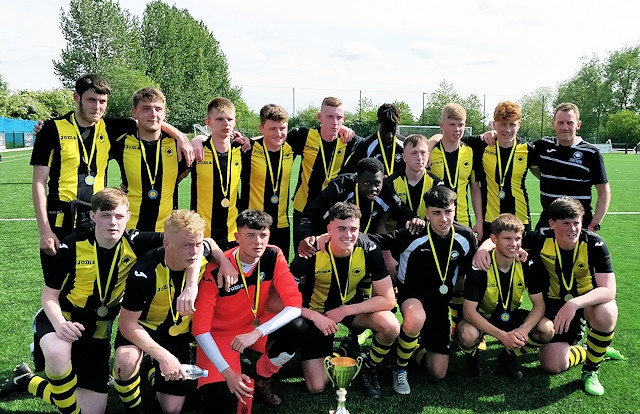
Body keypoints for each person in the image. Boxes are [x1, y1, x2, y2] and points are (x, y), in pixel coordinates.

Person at [0, 188, 168, 413]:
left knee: (93, 410)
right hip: (63, 318)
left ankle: (27, 380)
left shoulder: (136, 242)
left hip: (96, 332)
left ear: (128, 216)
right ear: (93, 216)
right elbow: (49, 295)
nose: (113, 222)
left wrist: (209, 260)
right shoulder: (72, 244)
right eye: (106, 215)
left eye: (119, 216)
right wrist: (61, 324)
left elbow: (185, 239)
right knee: (58, 354)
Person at [31, 75, 193, 282]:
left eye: (102, 102)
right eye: (91, 100)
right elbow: (38, 183)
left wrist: (180, 136)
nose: (97, 107)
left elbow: (150, 119)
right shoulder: (51, 130)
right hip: (61, 218)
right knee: (56, 285)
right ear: (76, 97)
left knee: (96, 285)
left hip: (98, 218)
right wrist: (44, 230)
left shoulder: (110, 127)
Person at [473, 197, 620, 395]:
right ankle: (589, 350)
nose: (572, 229)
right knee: (552, 366)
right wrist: (482, 249)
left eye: (576, 222)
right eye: (566, 223)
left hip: (584, 305)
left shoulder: (594, 244)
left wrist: (575, 303)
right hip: (552, 308)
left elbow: (609, 290)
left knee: (607, 311)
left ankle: (591, 371)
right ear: (552, 224)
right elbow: (508, 238)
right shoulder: (542, 238)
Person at [112, 209, 234, 414]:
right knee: (125, 362)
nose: (194, 251)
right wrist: (165, 357)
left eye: (197, 244)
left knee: (172, 409)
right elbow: (126, 325)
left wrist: (223, 261)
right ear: (166, 244)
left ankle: (151, 370)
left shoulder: (197, 250)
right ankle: (134, 407)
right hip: (144, 330)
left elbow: (209, 244)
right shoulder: (144, 271)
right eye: (187, 245)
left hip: (176, 336)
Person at [364, 186, 476, 394]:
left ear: (455, 209)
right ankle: (400, 369)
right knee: (416, 317)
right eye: (436, 213)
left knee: (438, 372)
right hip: (411, 296)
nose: (443, 219)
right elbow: (377, 240)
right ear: (426, 213)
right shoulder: (412, 234)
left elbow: (470, 270)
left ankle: (407, 347)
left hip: (440, 303)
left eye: (448, 212)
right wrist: (340, 236)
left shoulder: (465, 237)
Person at [192, 210, 305, 413]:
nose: (258, 241)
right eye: (250, 235)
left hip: (254, 327)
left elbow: (294, 305)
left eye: (263, 235)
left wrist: (255, 333)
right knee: (221, 401)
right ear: (237, 237)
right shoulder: (215, 269)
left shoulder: (273, 255)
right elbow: (200, 330)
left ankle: (263, 376)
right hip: (220, 335)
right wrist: (227, 373)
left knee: (297, 328)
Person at [291, 202, 399, 399]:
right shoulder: (311, 251)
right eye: (341, 229)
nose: (348, 235)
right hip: (318, 314)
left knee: (390, 325)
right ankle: (343, 352)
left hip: (348, 308)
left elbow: (388, 299)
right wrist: (315, 317)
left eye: (353, 229)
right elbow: (279, 300)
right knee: (316, 386)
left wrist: (345, 310)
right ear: (329, 229)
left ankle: (369, 366)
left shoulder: (368, 247)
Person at [456, 214, 553, 379]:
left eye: (517, 239)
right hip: (482, 317)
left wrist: (523, 330)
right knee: (467, 334)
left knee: (547, 329)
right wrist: (503, 336)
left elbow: (539, 304)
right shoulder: (480, 265)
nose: (513, 244)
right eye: (507, 238)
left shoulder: (527, 263)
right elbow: (469, 312)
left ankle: (509, 356)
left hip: (512, 315)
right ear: (493, 239)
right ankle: (473, 357)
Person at [295, 157, 423, 258]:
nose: (373, 189)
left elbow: (402, 212)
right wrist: (304, 237)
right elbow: (309, 216)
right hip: (330, 244)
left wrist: (415, 218)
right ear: (357, 179)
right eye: (367, 183)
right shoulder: (340, 188)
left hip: (363, 246)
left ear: (384, 179)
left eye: (377, 183)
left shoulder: (385, 190)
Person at [111, 87, 191, 231]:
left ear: (164, 113)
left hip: (167, 231)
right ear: (134, 112)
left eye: (158, 109)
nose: (153, 114)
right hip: (129, 228)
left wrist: (194, 138)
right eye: (146, 108)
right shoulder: (121, 142)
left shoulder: (179, 146)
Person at [288, 97, 362, 247]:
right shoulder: (304, 136)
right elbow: (273, 138)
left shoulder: (350, 141)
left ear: (344, 119)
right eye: (330, 117)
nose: (335, 122)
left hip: (333, 212)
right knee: (303, 258)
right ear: (320, 117)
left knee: (329, 257)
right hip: (304, 208)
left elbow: (377, 146)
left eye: (339, 117)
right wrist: (248, 141)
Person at [533, 103, 610, 231]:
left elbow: (604, 191)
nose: (565, 127)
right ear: (553, 124)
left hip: (579, 224)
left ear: (578, 125)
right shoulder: (542, 146)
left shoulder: (591, 152)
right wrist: (492, 134)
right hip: (548, 221)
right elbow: (514, 144)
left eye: (570, 123)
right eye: (560, 123)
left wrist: (595, 224)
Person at [239, 104, 295, 258]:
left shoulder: (292, 147)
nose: (278, 133)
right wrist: (196, 139)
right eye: (272, 129)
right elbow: (214, 140)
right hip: (252, 225)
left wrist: (343, 128)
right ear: (261, 128)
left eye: (282, 128)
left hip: (281, 225)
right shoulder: (247, 150)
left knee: (277, 272)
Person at [190, 97, 244, 250]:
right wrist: (196, 139)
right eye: (219, 119)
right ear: (208, 122)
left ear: (235, 121)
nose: (226, 123)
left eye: (229, 119)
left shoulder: (241, 150)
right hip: (201, 233)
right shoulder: (197, 151)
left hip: (233, 233)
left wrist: (245, 139)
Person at [428, 103, 482, 239]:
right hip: (436, 220)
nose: (457, 129)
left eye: (461, 124)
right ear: (442, 126)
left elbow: (475, 188)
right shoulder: (430, 153)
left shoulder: (470, 152)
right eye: (452, 124)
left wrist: (479, 221)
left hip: (463, 220)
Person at [387, 134, 444, 222]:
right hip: (397, 234)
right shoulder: (390, 182)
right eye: (414, 153)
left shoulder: (437, 184)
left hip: (425, 233)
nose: (419, 158)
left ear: (428, 156)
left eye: (423, 153)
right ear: (404, 157)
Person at [343, 103, 406, 176]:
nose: (389, 135)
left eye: (393, 129)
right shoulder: (365, 145)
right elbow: (351, 172)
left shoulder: (405, 144)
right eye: (385, 130)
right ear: (378, 123)